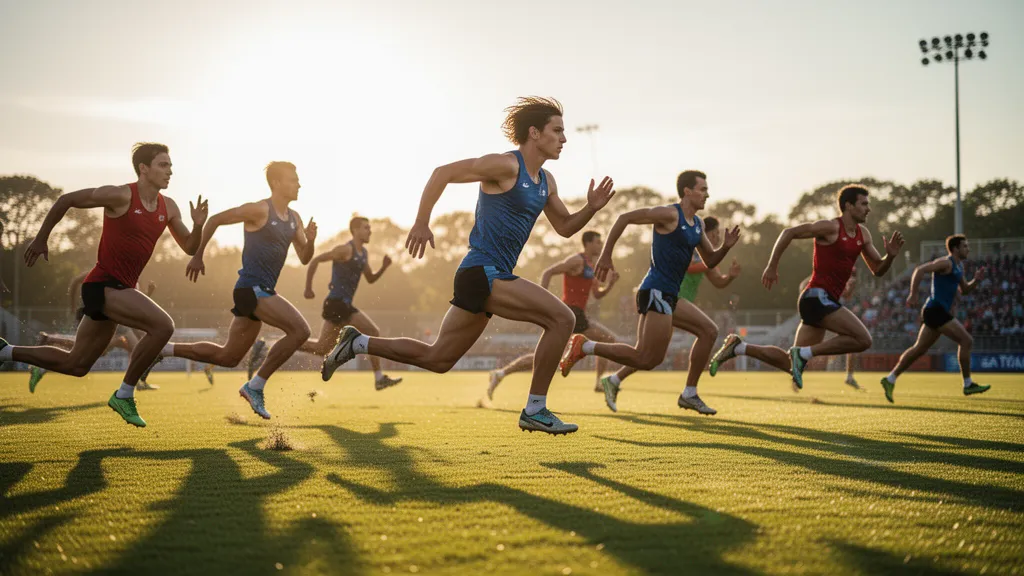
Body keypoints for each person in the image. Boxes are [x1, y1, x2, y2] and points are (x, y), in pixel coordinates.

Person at [321, 96, 616, 435]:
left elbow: (564, 227)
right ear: (534, 133)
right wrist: (421, 222)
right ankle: (536, 408)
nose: (564, 139)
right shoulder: (506, 165)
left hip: (487, 277)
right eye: (558, 130)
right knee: (562, 318)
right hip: (482, 271)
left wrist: (591, 208)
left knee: (439, 359)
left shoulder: (546, 182)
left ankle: (358, 343)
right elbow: (442, 173)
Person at [0, 143, 207, 427]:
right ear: (143, 169)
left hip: (121, 290)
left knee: (77, 365)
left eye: (170, 165)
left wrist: (197, 225)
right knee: (164, 326)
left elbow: (189, 246)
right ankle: (125, 393)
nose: (170, 171)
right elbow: (66, 199)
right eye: (163, 165)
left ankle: (6, 351)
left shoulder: (168, 207)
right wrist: (41, 238)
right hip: (103, 285)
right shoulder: (120, 195)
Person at [559, 170, 740, 415]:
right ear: (687, 191)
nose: (707, 194)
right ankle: (585, 346)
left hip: (669, 296)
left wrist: (725, 247)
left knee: (706, 332)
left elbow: (709, 260)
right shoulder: (668, 214)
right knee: (645, 358)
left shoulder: (697, 225)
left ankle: (689, 393)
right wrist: (606, 254)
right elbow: (624, 217)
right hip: (655, 291)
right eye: (703, 189)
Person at [160, 161, 316, 420]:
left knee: (229, 356)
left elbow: (304, 257)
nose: (298, 184)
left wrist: (310, 241)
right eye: (293, 179)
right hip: (252, 288)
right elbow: (216, 220)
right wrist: (198, 255)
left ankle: (163, 350)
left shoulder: (294, 219)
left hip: (258, 292)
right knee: (301, 331)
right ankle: (255, 386)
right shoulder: (259, 210)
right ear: (276, 183)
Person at [709, 184, 904, 390]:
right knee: (863, 340)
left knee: (792, 364)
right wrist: (772, 266)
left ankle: (739, 347)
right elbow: (788, 232)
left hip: (823, 302)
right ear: (848, 206)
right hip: (816, 297)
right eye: (864, 204)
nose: (868, 208)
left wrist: (890, 256)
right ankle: (804, 353)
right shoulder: (830, 227)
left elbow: (878, 269)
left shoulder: (863, 234)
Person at [596, 215, 741, 411]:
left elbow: (718, 282)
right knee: (708, 331)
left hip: (671, 303)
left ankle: (613, 379)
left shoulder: (705, 258)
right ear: (703, 234)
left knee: (648, 356)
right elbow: (689, 267)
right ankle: (690, 392)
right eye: (714, 234)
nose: (716, 239)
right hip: (668, 298)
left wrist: (730, 277)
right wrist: (712, 261)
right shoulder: (690, 247)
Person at [487, 230, 621, 400]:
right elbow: (548, 272)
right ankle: (596, 382)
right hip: (571, 312)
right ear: (587, 243)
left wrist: (610, 284)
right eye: (597, 242)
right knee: (608, 340)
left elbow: (597, 294)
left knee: (548, 355)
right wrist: (541, 298)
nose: (600, 245)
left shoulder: (591, 266)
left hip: (578, 314)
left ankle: (500, 373)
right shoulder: (576, 260)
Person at [880, 234, 989, 402]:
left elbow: (965, 289)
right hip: (935, 310)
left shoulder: (959, 268)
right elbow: (920, 270)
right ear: (955, 249)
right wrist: (913, 293)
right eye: (965, 246)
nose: (968, 249)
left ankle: (890, 379)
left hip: (937, 312)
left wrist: (976, 280)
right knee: (966, 341)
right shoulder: (946, 262)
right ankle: (968, 384)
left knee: (919, 349)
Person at [298, 216, 401, 390]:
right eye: (366, 228)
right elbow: (316, 260)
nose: (370, 231)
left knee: (322, 347)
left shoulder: (363, 254)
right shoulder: (345, 250)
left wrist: (384, 267)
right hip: (336, 303)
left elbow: (370, 278)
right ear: (355, 231)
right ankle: (378, 377)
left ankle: (278, 343)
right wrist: (308, 288)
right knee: (372, 331)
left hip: (344, 305)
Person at [30, 277, 166, 392]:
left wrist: (148, 294)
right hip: (111, 314)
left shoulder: (130, 273)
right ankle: (131, 387)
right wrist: (73, 303)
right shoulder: (106, 269)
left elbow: (134, 301)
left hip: (114, 315)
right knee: (134, 348)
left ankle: (46, 352)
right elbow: (78, 280)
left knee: (90, 351)